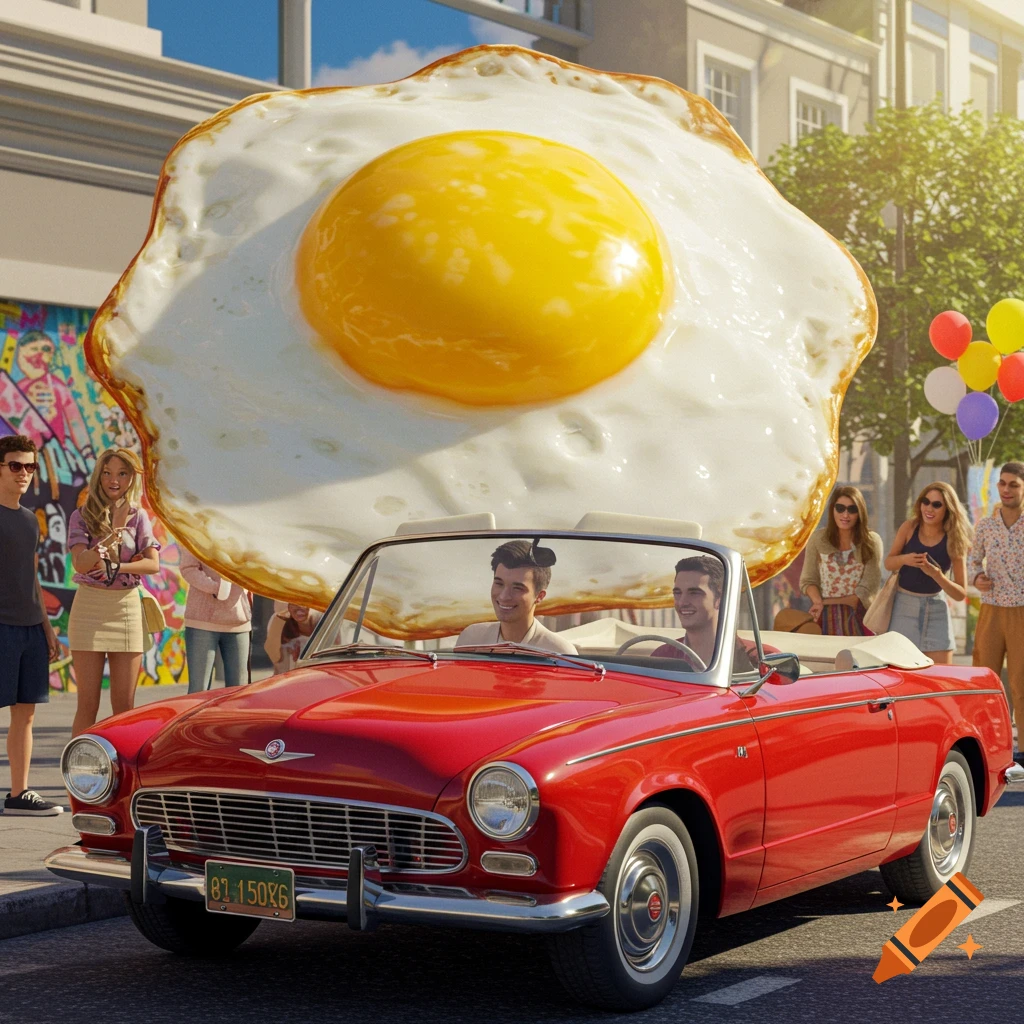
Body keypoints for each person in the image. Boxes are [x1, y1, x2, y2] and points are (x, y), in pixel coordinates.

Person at [67, 448, 161, 736]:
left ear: (131, 478)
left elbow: (152, 565)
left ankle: (124, 776)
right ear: (99, 475)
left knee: (124, 706)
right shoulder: (81, 515)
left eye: (122, 473)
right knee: (88, 704)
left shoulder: (139, 516)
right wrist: (115, 530)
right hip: (88, 609)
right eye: (107, 473)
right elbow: (81, 563)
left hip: (127, 609)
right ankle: (79, 774)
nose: (114, 480)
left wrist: (118, 566)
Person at [0, 436, 64, 815]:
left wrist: (47, 626)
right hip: (0, 625)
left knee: (26, 712)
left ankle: (18, 794)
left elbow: (32, 575)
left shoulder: (28, 519)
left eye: (30, 467)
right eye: (15, 465)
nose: (24, 473)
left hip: (29, 628)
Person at [969, 461, 1024, 760]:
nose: (1006, 489)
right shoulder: (986, 526)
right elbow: (973, 560)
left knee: (1021, 684)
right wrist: (977, 578)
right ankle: (988, 747)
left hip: (1022, 612)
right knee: (985, 680)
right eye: (1002, 483)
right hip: (991, 611)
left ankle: (1023, 752)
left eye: (1013, 484)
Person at [884, 481, 971, 664]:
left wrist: (937, 575)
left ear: (948, 508)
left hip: (937, 608)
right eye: (926, 501)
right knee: (900, 673)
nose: (929, 508)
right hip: (904, 606)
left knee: (940, 677)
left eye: (937, 504)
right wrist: (905, 559)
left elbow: (960, 593)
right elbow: (888, 563)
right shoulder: (909, 528)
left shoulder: (954, 538)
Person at [650, 555, 773, 672]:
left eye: (694, 593)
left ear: (720, 599)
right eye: (677, 593)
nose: (682, 602)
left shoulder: (762, 659)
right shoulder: (663, 656)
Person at [456, 540, 578, 654]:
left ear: (540, 596)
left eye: (518, 588)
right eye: (499, 583)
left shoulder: (558, 652)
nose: (504, 596)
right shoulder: (471, 640)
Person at [800, 486, 883, 636]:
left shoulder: (872, 541)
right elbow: (807, 580)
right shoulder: (817, 539)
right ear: (832, 510)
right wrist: (817, 601)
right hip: (824, 620)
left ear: (860, 513)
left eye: (852, 509)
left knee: (858, 659)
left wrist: (822, 602)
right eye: (840, 508)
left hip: (861, 618)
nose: (845, 514)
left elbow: (863, 593)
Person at [180, 550, 252, 692]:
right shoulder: (197, 533)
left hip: (239, 622)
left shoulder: (243, 535)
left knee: (238, 690)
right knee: (198, 690)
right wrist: (217, 588)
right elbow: (188, 568)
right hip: (202, 621)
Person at [265, 603, 323, 675]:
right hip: (286, 679)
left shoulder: (323, 619)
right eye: (294, 603)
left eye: (304, 602)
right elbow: (274, 656)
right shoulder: (278, 619)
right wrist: (280, 620)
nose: (299, 606)